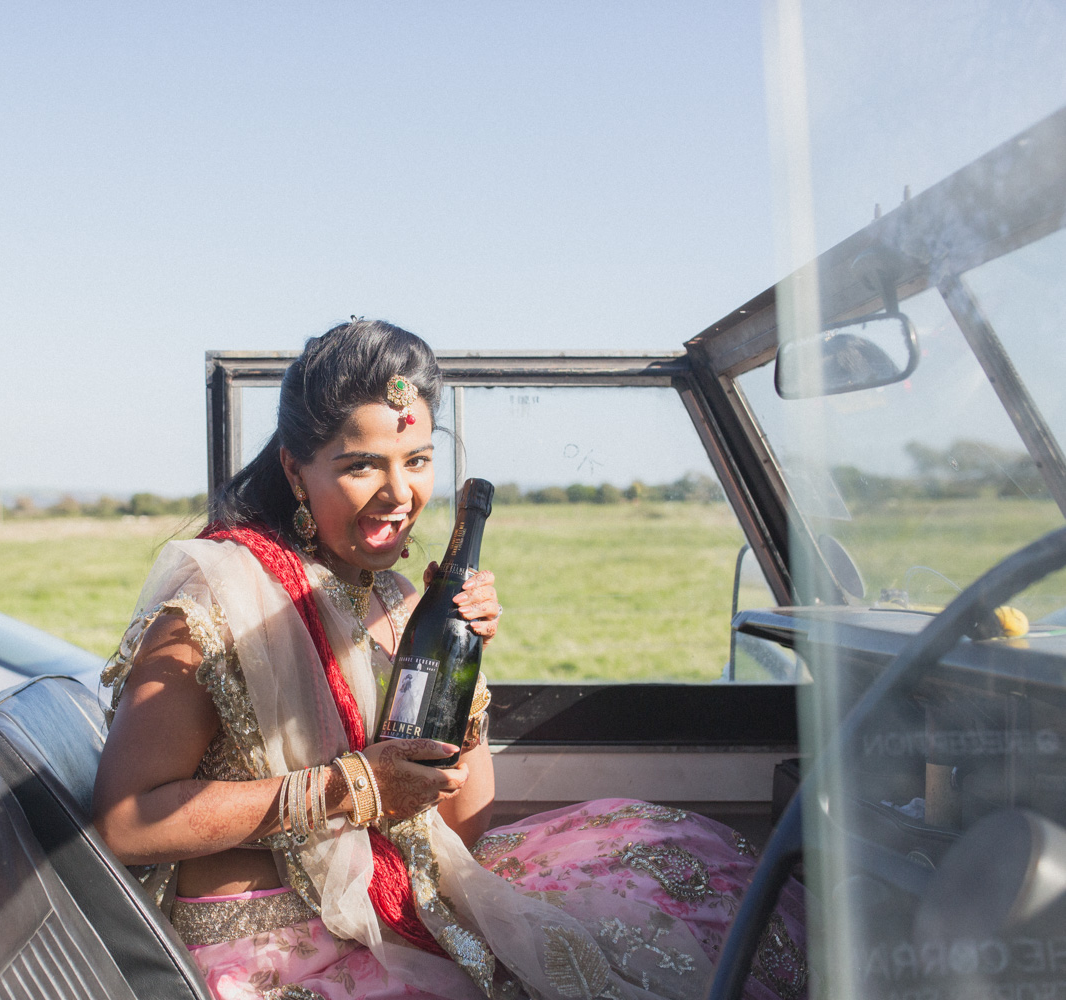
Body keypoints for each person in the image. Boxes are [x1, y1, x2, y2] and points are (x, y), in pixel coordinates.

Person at [93, 320, 805, 1000]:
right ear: (294, 467)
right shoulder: (221, 600)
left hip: (395, 887)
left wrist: (467, 671)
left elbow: (462, 827)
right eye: (360, 465)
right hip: (273, 948)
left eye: (418, 460)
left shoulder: (399, 600)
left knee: (678, 864)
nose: (399, 494)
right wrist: (350, 788)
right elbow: (127, 823)